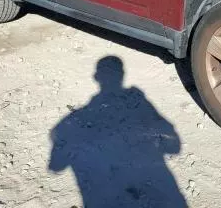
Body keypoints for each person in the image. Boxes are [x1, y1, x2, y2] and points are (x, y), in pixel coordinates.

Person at [49, 56, 186, 207]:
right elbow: (174, 146)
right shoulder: (139, 99)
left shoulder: (69, 123)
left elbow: (56, 165)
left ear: (97, 77)